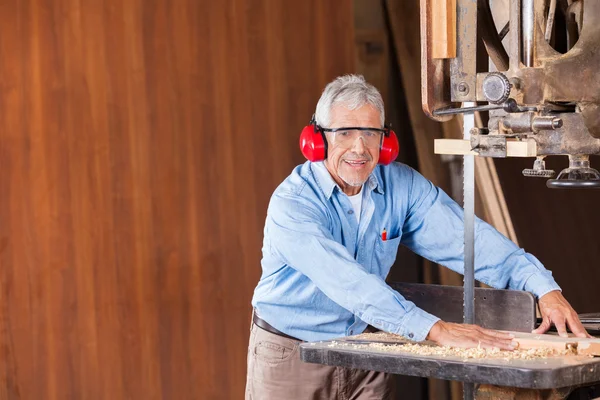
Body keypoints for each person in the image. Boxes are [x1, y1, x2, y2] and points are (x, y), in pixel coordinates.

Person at [245, 74, 588, 400]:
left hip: (367, 347)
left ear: (386, 140)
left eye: (371, 132)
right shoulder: (293, 203)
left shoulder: (402, 187)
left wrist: (542, 286)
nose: (360, 148)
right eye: (346, 132)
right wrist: (436, 330)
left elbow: (469, 242)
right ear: (317, 139)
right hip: (292, 351)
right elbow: (347, 283)